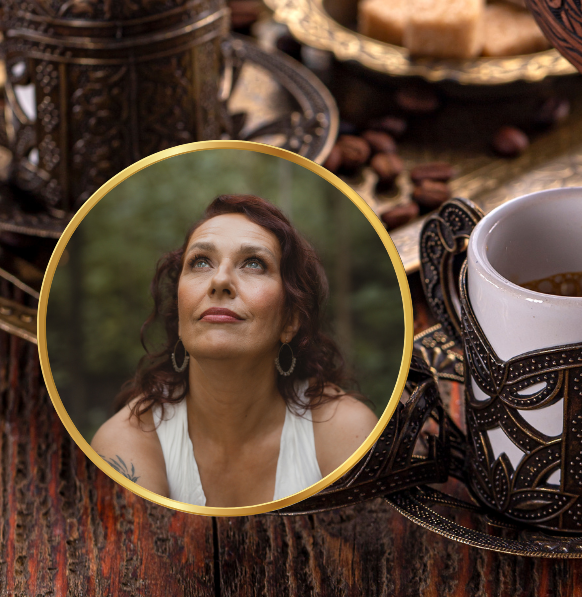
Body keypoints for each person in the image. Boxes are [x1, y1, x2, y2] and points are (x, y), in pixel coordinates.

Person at [91, 194, 377, 506]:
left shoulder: (346, 432)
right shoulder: (127, 442)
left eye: (254, 264)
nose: (220, 280)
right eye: (201, 262)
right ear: (179, 306)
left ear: (290, 320)